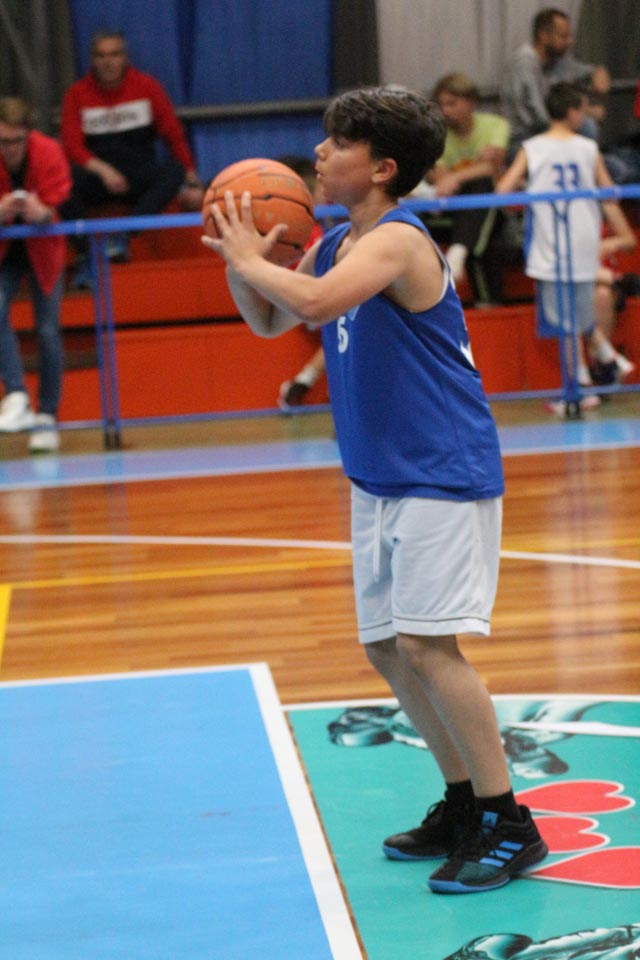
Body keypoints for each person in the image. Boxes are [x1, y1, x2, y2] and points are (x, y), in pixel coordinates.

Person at [202, 85, 548, 894]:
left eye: (338, 143)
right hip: (382, 473)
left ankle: (509, 822)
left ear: (384, 168)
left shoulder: (397, 241)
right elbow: (273, 320)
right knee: (388, 646)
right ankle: (463, 801)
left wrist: (254, 261)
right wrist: (237, 257)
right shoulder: (338, 241)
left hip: (441, 468)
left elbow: (317, 301)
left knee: (430, 646)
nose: (319, 153)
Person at [497, 82, 635, 416]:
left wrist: (530, 186)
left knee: (565, 322)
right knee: (575, 316)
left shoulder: (533, 148)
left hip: (550, 241)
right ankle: (605, 364)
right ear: (572, 112)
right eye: (582, 110)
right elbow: (610, 192)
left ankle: (584, 384)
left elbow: (503, 191)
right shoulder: (588, 147)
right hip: (584, 238)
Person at [60, 30, 204, 288]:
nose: (108, 62)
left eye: (114, 54)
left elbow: (172, 134)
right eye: (102, 55)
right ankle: (86, 255)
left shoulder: (147, 87)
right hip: (98, 177)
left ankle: (123, 238)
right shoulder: (76, 94)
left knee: (174, 170)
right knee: (62, 183)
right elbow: (72, 147)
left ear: (125, 57)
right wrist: (103, 171)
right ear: (92, 60)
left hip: (137, 175)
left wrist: (192, 179)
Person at [0, 97, 71, 453]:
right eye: (3, 142)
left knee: (47, 331)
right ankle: (17, 395)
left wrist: (41, 211)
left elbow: (58, 195)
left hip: (44, 249)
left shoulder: (48, 151)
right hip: (4, 253)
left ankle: (46, 416)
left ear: (27, 135)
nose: (10, 149)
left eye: (16, 141)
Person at [427, 72, 511, 304]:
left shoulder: (496, 125)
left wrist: (457, 176)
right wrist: (477, 166)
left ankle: (459, 253)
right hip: (449, 208)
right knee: (483, 231)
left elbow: (491, 170)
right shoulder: (437, 134)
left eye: (452, 103)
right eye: (442, 104)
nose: (445, 110)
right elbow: (440, 178)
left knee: (483, 189)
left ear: (471, 102)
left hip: (490, 208)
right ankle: (488, 303)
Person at [501, 7, 611, 158]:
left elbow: (586, 71)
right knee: (586, 126)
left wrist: (599, 73)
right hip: (524, 140)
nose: (570, 42)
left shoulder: (557, 61)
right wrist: (578, 116)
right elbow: (535, 115)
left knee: (614, 164)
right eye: (563, 36)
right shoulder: (524, 62)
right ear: (544, 35)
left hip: (552, 136)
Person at [274, 155, 327, 411]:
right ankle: (304, 381)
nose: (325, 195)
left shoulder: (318, 228)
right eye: (319, 191)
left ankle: (304, 381)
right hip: (304, 300)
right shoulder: (305, 233)